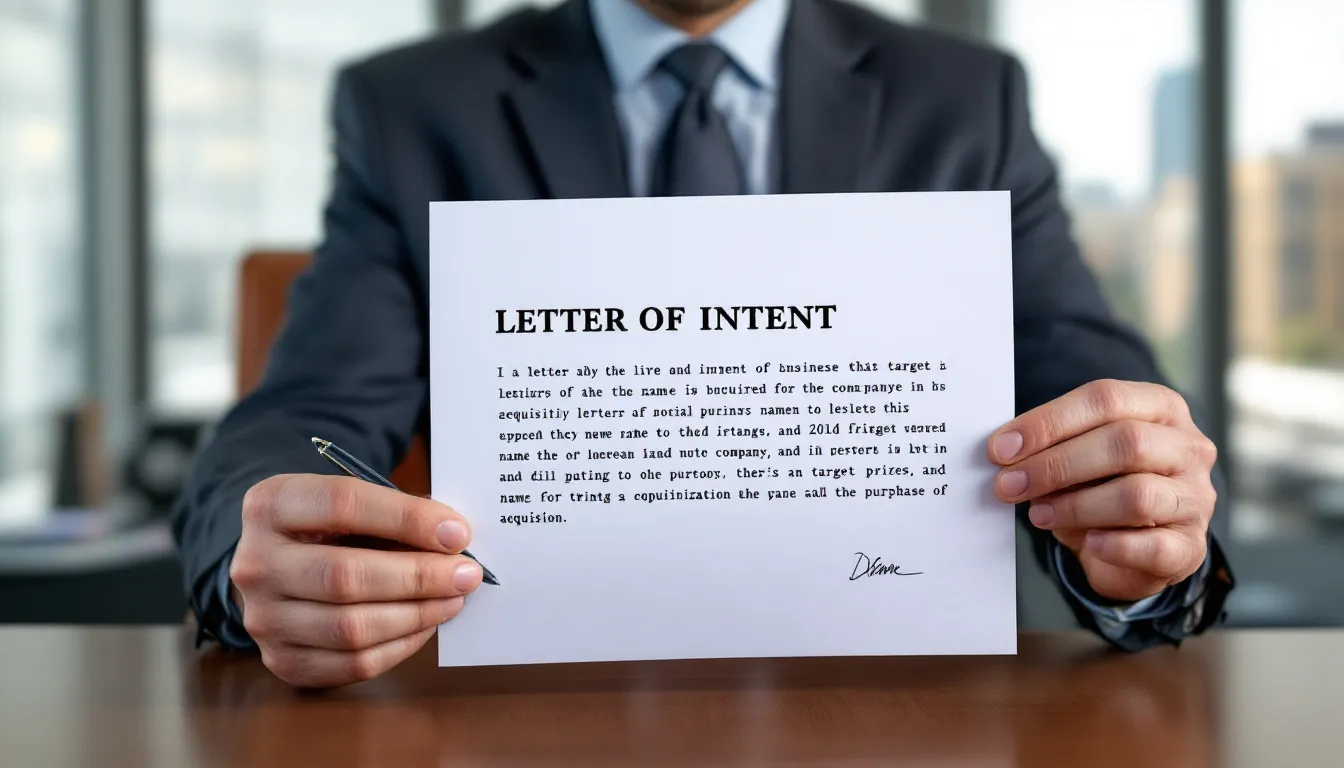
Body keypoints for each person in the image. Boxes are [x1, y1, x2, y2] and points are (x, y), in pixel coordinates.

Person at [173, 0, 1235, 688]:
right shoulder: (413, 107)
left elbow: (1090, 395)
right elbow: (303, 419)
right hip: (533, 714)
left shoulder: (962, 100)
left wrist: (1140, 530)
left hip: (895, 715)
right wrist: (253, 551)